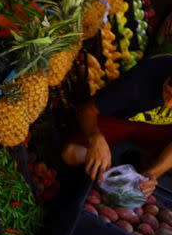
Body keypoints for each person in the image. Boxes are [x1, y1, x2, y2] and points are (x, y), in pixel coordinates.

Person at [61, 54, 172, 196]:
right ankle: (112, 173)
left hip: (161, 129)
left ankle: (149, 162)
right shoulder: (143, 78)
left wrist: (153, 173)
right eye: (168, 93)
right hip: (123, 119)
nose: (168, 104)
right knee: (71, 153)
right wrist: (95, 137)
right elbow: (86, 110)